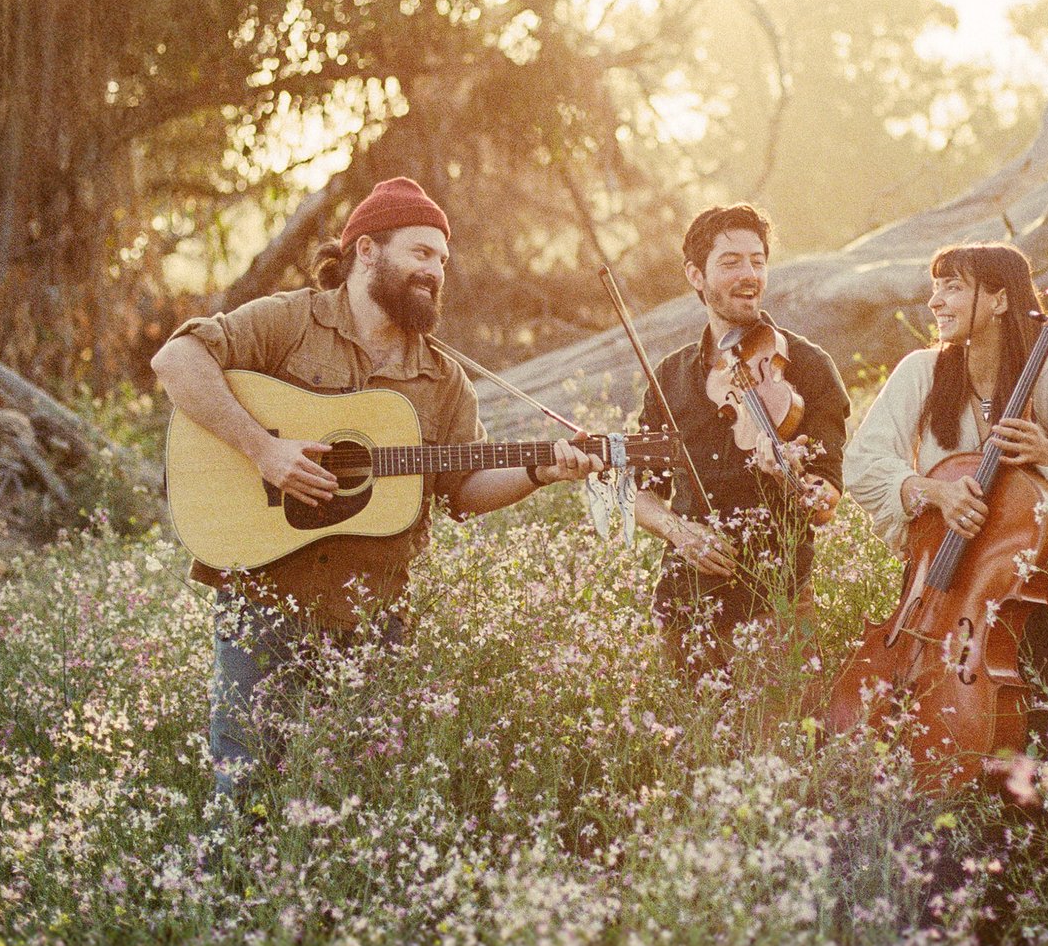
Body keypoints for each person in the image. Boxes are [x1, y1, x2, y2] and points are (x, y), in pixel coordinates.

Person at [150, 177, 602, 795]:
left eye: (442, 259)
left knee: (364, 801)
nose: (435, 270)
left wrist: (537, 470)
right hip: (265, 601)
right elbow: (176, 360)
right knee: (246, 793)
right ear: (366, 250)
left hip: (373, 615)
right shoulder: (290, 321)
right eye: (421, 253)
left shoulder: (445, 380)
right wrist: (265, 449)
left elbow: (461, 489)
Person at [838, 241, 1048, 736]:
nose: (935, 302)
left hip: (1032, 588)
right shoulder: (920, 372)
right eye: (935, 287)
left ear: (999, 299)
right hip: (937, 582)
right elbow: (862, 463)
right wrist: (930, 491)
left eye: (953, 287)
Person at [631, 204, 848, 687]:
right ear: (696, 275)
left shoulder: (808, 367)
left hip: (777, 604)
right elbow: (640, 493)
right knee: (690, 752)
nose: (749, 274)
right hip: (685, 604)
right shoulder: (670, 376)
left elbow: (826, 499)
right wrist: (678, 531)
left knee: (785, 753)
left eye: (758, 260)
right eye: (731, 262)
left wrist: (788, 476)